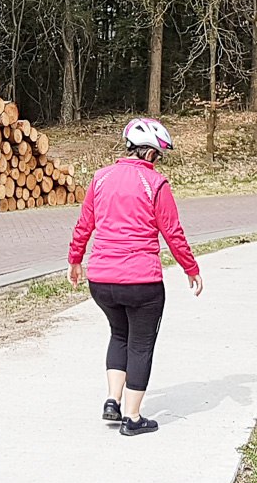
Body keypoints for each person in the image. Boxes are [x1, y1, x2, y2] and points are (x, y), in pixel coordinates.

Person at [67, 118, 203, 436]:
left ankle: (112, 401)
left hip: (101, 280)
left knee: (119, 335)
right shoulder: (155, 184)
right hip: (141, 283)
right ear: (153, 154)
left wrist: (75, 259)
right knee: (140, 344)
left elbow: (84, 224)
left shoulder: (100, 178)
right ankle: (132, 417)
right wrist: (190, 268)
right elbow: (172, 232)